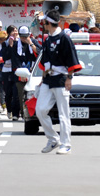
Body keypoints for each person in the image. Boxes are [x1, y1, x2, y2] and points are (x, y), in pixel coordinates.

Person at [35, 10, 82, 155]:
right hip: (48, 79)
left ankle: (66, 143)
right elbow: (44, 62)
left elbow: (72, 60)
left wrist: (69, 78)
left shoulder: (64, 38)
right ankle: (53, 138)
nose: (43, 24)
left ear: (48, 23)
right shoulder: (48, 39)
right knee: (40, 110)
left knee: (63, 113)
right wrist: (41, 81)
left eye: (44, 22)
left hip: (62, 79)